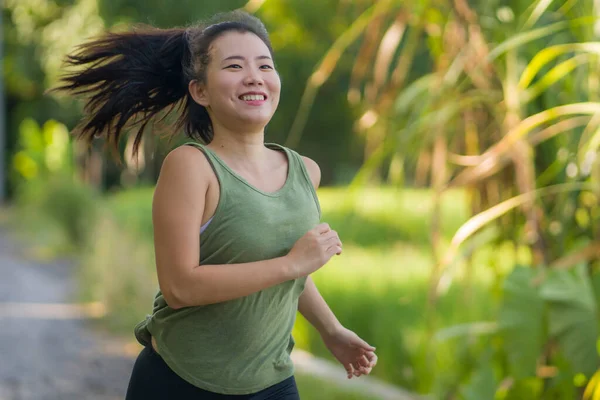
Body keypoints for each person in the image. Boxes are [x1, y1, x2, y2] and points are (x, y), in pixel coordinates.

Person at [55, 10, 377, 400]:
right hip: (181, 381)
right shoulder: (192, 167)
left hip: (272, 381)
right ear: (200, 91)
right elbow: (180, 286)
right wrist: (293, 262)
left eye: (264, 65)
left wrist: (332, 330)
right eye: (234, 66)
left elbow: (286, 268)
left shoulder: (304, 172)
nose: (254, 76)